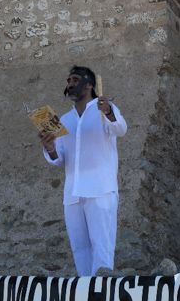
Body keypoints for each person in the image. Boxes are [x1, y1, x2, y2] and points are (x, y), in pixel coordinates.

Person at [39, 66, 127, 276]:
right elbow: (58, 159)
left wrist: (108, 112)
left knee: (102, 246)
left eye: (75, 79)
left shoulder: (104, 109)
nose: (70, 83)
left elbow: (121, 129)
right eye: (68, 80)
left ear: (89, 84)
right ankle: (87, 298)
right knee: (80, 249)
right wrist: (50, 148)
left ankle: (102, 294)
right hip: (73, 194)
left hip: (101, 189)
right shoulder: (60, 120)